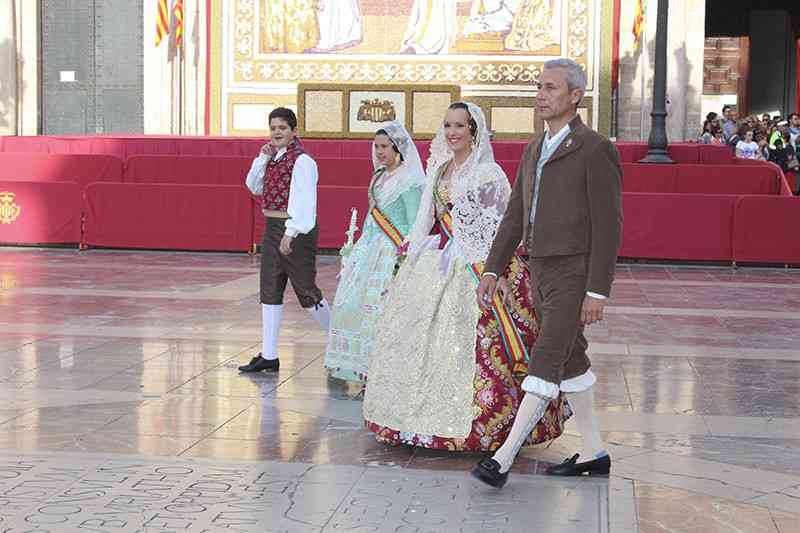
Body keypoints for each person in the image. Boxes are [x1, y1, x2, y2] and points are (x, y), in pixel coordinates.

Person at [363, 102, 570, 452]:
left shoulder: (488, 172)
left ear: (473, 130)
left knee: (482, 346)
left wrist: (495, 270)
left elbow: (502, 225)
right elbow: (424, 219)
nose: (452, 132)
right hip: (440, 261)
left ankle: (488, 428)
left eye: (459, 125)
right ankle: (415, 423)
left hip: (479, 267)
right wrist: (410, 257)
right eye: (447, 125)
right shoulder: (438, 170)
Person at [471, 58, 622, 487]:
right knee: (571, 360)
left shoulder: (594, 148)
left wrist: (597, 290)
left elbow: (609, 224)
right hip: (540, 270)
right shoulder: (534, 148)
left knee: (547, 358)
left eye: (551, 87)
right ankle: (594, 452)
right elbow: (515, 214)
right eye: (539, 86)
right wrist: (493, 268)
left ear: (575, 95)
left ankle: (501, 459)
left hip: (574, 271)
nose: (541, 95)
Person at [324, 123, 425, 382]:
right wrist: (356, 249)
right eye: (376, 146)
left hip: (391, 253)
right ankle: (354, 363)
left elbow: (415, 222)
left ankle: (380, 370)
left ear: (397, 148)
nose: (379, 152)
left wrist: (405, 255)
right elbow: (371, 217)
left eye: (384, 147)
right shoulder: (378, 177)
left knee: (380, 311)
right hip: (369, 249)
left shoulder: (410, 181)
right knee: (349, 303)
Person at [240, 107, 330, 373]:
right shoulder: (273, 157)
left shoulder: (302, 161)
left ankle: (337, 339)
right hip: (272, 226)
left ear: (294, 131)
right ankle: (269, 354)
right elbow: (253, 186)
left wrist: (290, 233)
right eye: (273, 128)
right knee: (270, 288)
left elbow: (304, 200)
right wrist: (261, 158)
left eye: (282, 128)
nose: (277, 132)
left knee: (305, 290)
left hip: (296, 230)